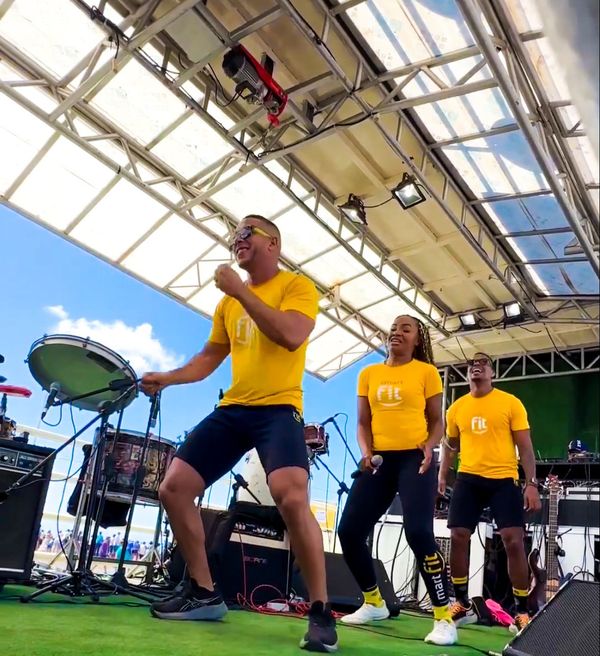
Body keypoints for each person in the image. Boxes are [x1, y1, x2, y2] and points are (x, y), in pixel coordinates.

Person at [141, 214, 338, 653]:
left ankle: (321, 611)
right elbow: (209, 358)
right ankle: (205, 592)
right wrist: (168, 378)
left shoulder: (297, 287)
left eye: (247, 233)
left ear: (274, 244)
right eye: (234, 235)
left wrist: (240, 290)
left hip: (278, 408)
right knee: (173, 488)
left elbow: (290, 335)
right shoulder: (228, 305)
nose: (237, 239)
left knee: (291, 496)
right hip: (234, 408)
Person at [337, 315, 457, 646]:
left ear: (418, 339)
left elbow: (437, 421)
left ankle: (444, 617)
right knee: (349, 531)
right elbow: (363, 422)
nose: (396, 332)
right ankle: (374, 602)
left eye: (406, 329)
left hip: (413, 458)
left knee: (418, 532)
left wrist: (430, 446)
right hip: (379, 460)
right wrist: (365, 452)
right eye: (393, 327)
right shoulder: (368, 374)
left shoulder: (426, 372)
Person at [438, 352, 542, 633]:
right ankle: (461, 603)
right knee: (458, 535)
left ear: (492, 373)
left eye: (483, 363)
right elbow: (451, 444)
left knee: (513, 541)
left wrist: (531, 483)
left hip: (503, 479)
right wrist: (441, 473)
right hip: (468, 478)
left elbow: (526, 447)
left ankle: (521, 611)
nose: (477, 366)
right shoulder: (456, 409)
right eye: (472, 363)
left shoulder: (510, 403)